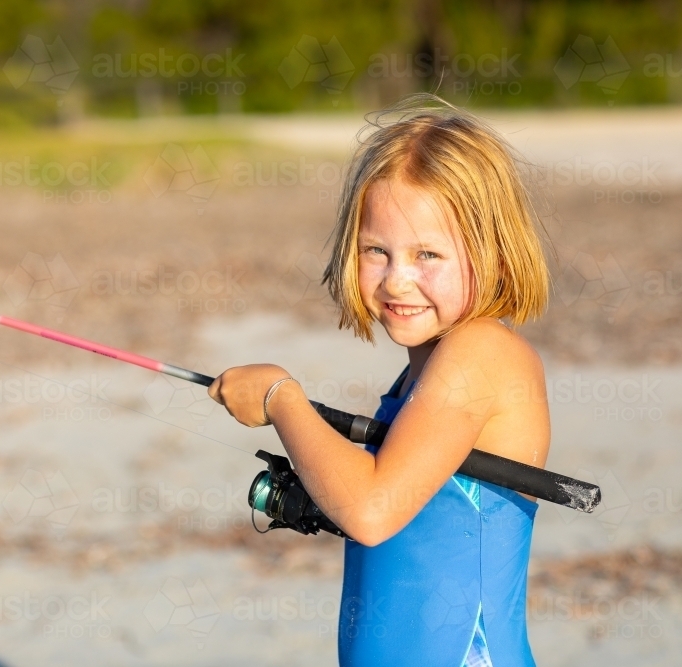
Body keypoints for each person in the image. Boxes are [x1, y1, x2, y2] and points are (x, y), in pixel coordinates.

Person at [208, 93, 552, 666]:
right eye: (377, 250)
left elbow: (371, 509)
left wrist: (280, 398)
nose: (397, 280)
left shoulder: (481, 351)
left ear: (494, 253)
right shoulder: (424, 366)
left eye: (428, 255)